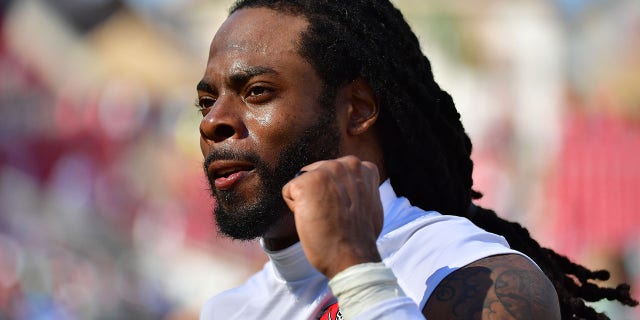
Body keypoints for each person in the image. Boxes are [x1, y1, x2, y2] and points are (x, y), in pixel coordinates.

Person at [195, 0, 638, 319]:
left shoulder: (476, 275)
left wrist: (355, 272)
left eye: (257, 92)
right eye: (206, 102)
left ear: (358, 109)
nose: (213, 121)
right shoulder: (226, 309)